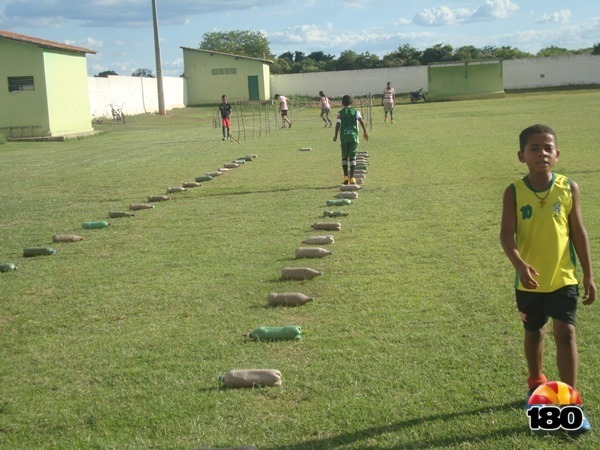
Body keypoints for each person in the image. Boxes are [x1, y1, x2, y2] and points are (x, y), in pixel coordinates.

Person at [500, 124, 596, 432]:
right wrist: (519, 265)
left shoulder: (569, 187)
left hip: (564, 278)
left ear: (557, 154)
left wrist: (590, 275)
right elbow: (506, 236)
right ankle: (536, 382)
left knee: (565, 334)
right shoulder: (514, 191)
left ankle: (569, 403)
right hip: (528, 282)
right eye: (534, 148)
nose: (542, 153)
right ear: (521, 156)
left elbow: (578, 233)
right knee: (534, 333)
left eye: (547, 148)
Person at [333, 95, 369, 185]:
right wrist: (365, 131)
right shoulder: (356, 112)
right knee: (352, 157)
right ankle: (352, 177)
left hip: (344, 138)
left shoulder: (340, 113)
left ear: (342, 103)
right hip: (353, 137)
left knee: (344, 157)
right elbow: (361, 120)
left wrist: (335, 135)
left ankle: (346, 177)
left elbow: (337, 124)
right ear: (351, 103)